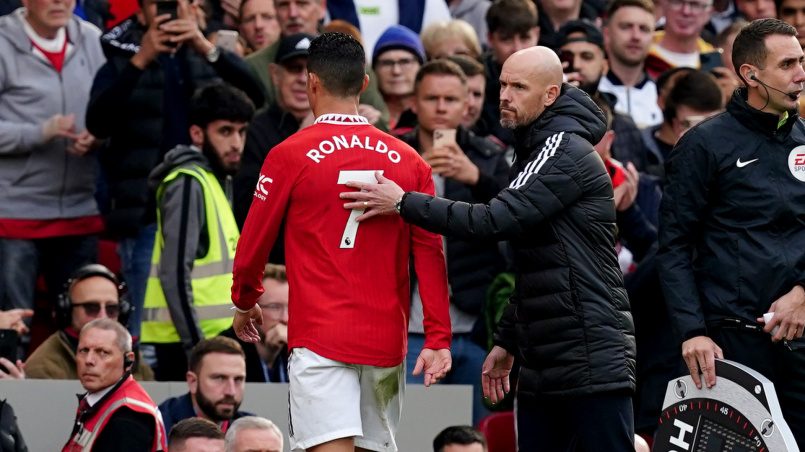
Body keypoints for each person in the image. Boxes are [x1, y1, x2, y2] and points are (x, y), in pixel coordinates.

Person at [340, 46, 636, 451]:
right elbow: (539, 266)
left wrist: (403, 202)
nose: (505, 96)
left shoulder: (563, 148)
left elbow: (495, 219)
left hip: (589, 355)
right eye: (503, 85)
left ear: (550, 94)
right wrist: (509, 339)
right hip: (546, 355)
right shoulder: (535, 147)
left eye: (519, 87)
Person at [231, 32, 452, 452]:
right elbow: (430, 254)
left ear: (312, 82)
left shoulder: (289, 154)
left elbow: (253, 243)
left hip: (321, 340)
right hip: (385, 341)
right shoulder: (410, 161)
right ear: (364, 83)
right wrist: (438, 337)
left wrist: (245, 300)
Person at [657, 18, 805, 444]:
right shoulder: (703, 145)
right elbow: (674, 247)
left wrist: (803, 293)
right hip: (731, 346)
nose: (800, 74)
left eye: (801, 61)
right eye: (787, 64)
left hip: (800, 338)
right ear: (750, 74)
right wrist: (693, 331)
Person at [86, 0, 263, 341]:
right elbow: (97, 123)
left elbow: (256, 95)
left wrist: (204, 45)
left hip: (205, 203)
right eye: (160, 4)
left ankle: (205, 359)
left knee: (211, 307)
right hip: (144, 214)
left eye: (178, 3)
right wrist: (140, 60)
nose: (170, 12)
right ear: (141, 13)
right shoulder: (121, 58)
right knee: (147, 323)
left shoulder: (203, 55)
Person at [399, 59, 508, 425]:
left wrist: (477, 178)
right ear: (414, 103)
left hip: (474, 326)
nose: (442, 107)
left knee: (476, 433)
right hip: (410, 327)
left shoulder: (489, 157)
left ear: (467, 104)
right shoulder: (393, 154)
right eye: (432, 98)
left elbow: (515, 220)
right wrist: (410, 177)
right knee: (411, 430)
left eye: (451, 99)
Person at [0, 0, 105, 332]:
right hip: (14, 217)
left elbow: (115, 107)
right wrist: (40, 132)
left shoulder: (92, 39)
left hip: (79, 211)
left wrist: (99, 135)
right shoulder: (2, 42)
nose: (60, 1)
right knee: (13, 329)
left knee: (83, 332)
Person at [141, 84, 254, 381]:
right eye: (225, 131)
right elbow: (174, 273)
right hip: (189, 343)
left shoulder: (212, 179)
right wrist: (197, 349)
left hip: (212, 336)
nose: (236, 143)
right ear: (197, 134)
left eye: (242, 132)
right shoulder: (188, 182)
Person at [233, 32, 315, 230]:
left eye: (312, 71)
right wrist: (303, 138)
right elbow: (249, 206)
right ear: (275, 74)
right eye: (294, 69)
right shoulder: (252, 130)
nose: (303, 78)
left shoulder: (341, 130)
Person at [24, 264, 154, 380]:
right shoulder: (43, 367)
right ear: (67, 311)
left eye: (111, 309)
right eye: (91, 308)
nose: (103, 317)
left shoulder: (134, 360)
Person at [63, 318, 167, 452]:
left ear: (128, 361)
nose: (89, 360)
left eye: (103, 352)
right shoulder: (103, 403)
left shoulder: (129, 417)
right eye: (84, 350)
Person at [159, 336, 250, 434]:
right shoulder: (159, 428)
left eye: (238, 380)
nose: (231, 392)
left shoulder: (250, 431)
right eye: (219, 378)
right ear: (193, 382)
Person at [480, 0, 539, 145]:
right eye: (506, 39)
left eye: (524, 38)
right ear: (490, 39)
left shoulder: (556, 76)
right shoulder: (477, 80)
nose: (517, 48)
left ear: (537, 34)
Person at [598, 0, 663, 128]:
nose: (636, 36)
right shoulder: (588, 94)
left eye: (644, 29)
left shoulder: (664, 96)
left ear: (652, 37)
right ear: (607, 34)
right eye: (626, 27)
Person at [221, 264, 289, 382]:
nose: (285, 318)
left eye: (291, 307)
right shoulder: (225, 352)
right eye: (274, 307)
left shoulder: (298, 352)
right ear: (252, 310)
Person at [645, 0, 722, 78]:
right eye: (678, 2)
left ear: (709, 13)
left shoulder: (716, 63)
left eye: (695, 5)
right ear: (664, 6)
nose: (686, 11)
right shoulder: (642, 51)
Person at [372, 25, 426, 132]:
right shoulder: (361, 114)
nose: (396, 71)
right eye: (387, 63)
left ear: (421, 67)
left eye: (405, 62)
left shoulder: (437, 112)